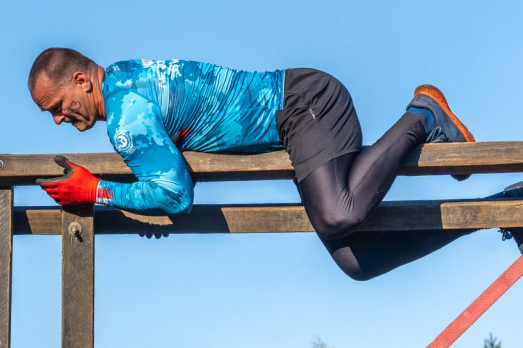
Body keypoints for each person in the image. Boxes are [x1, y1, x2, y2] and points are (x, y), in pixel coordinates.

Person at [29, 48, 522, 279]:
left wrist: (97, 192)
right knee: (357, 260)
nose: (57, 120)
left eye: (56, 106)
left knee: (339, 214)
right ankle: (496, 208)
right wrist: (137, 196)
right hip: (305, 111)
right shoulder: (122, 80)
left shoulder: (125, 116)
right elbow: (160, 180)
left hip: (304, 105)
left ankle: (422, 116)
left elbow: (175, 194)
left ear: (80, 80)